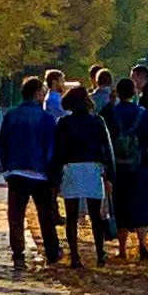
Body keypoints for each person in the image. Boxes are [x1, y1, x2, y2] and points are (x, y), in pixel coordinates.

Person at [0, 69, 60, 271]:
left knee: (16, 215)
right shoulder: (46, 118)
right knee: (46, 214)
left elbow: (3, 143)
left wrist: (7, 167)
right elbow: (50, 146)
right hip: (39, 172)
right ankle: (52, 251)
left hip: (16, 172)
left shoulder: (11, 116)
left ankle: (18, 253)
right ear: (37, 94)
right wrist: (51, 172)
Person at [53, 82, 115, 268]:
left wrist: (56, 177)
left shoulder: (64, 123)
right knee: (96, 215)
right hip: (93, 167)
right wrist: (109, 175)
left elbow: (58, 151)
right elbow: (107, 149)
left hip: (71, 167)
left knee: (71, 216)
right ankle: (100, 252)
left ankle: (75, 256)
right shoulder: (98, 122)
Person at [103, 73, 148, 261]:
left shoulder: (109, 113)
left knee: (120, 206)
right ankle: (142, 245)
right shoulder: (142, 114)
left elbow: (103, 140)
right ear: (133, 93)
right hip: (139, 166)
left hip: (117, 168)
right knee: (140, 205)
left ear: (117, 93)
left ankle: (122, 249)